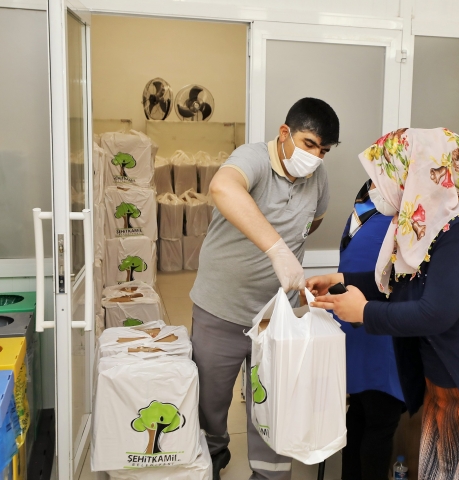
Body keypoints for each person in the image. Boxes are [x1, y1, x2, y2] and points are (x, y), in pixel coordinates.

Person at [308, 128, 459, 480]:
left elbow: (436, 311)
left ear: (420, 175)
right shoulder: (420, 229)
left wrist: (364, 313)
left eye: (387, 177)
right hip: (453, 380)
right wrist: (342, 281)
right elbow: (403, 283)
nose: (379, 189)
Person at [189, 98, 339, 480]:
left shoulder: (317, 178)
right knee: (211, 399)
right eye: (309, 145)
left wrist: (289, 249)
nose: (315, 157)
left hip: (277, 316)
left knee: (271, 398)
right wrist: (275, 249)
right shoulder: (252, 158)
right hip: (221, 306)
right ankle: (214, 456)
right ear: (285, 133)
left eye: (324, 151)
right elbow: (222, 187)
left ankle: (269, 474)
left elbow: (313, 223)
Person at [337, 180, 405, 480]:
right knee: (381, 422)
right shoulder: (399, 225)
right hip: (381, 333)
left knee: (361, 415)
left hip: (355, 331)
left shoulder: (361, 215)